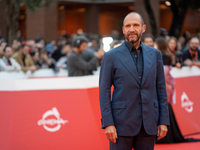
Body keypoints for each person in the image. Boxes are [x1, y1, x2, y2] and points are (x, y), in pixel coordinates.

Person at [99, 12, 169, 150]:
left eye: (135, 25)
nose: (132, 29)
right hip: (120, 124)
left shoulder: (155, 55)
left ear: (143, 28)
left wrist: (163, 121)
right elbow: (104, 92)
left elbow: (161, 89)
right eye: (128, 26)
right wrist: (108, 123)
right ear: (123, 30)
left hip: (148, 123)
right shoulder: (110, 56)